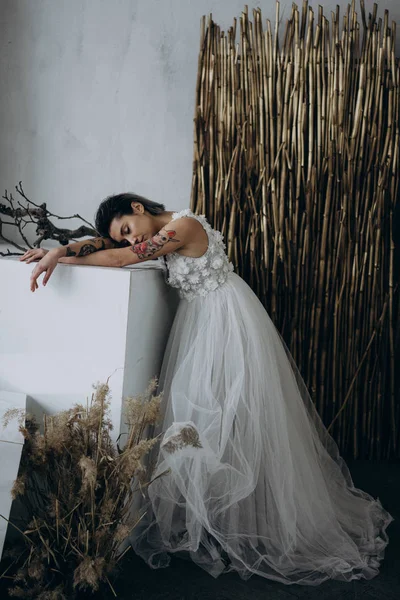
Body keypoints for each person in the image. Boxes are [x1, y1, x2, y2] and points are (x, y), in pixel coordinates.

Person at [21, 192, 394, 585]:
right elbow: (110, 247)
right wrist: (63, 247)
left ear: (137, 208)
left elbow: (122, 258)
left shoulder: (183, 226)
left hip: (226, 322)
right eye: (124, 236)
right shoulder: (159, 229)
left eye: (128, 230)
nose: (130, 240)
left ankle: (259, 516)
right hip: (200, 323)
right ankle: (221, 518)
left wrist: (57, 257)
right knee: (200, 423)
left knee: (233, 418)